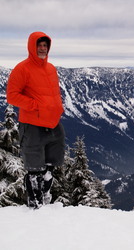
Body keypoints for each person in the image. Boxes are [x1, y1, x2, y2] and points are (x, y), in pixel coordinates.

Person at [6, 31, 65, 209]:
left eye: (45, 45)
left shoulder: (51, 68)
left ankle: (46, 199)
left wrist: (57, 107)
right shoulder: (22, 69)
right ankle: (35, 206)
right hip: (32, 124)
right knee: (34, 168)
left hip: (53, 124)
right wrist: (35, 105)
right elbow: (12, 96)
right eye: (39, 45)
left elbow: (53, 94)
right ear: (32, 46)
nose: (42, 48)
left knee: (50, 164)